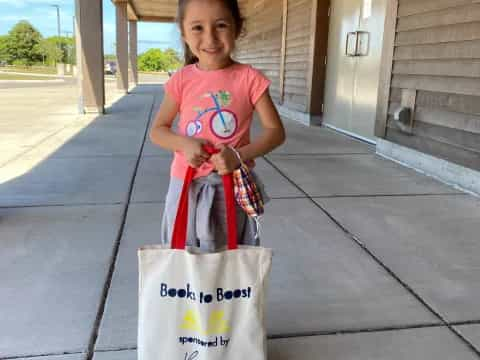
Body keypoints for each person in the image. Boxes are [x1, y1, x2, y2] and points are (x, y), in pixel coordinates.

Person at [149, 0, 286, 251]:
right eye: (198, 27)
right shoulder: (181, 80)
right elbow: (158, 130)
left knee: (227, 255)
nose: (210, 38)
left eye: (221, 25)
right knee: (183, 253)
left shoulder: (250, 79)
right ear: (183, 32)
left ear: (237, 28)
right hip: (185, 185)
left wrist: (238, 156)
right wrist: (184, 144)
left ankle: (224, 293)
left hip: (229, 186)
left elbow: (276, 132)